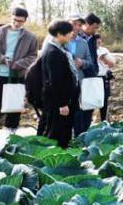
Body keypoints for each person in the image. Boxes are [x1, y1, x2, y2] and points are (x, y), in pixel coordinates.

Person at [0, 7, 38, 130]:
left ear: (25, 21)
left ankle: (10, 134)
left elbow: (33, 56)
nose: (17, 23)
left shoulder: (30, 37)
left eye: (20, 21)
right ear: (11, 17)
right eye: (15, 20)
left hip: (17, 75)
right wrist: (1, 58)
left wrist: (18, 64)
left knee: (14, 106)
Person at [41, 20, 78, 148]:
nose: (71, 36)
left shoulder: (58, 49)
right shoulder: (53, 53)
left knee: (61, 131)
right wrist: (62, 103)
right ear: (59, 34)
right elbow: (55, 81)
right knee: (56, 132)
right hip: (57, 102)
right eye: (68, 33)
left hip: (61, 100)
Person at [63, 14, 96, 136]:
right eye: (74, 23)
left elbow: (90, 62)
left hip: (79, 82)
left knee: (78, 113)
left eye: (79, 24)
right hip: (62, 82)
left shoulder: (83, 42)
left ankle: (77, 139)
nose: (76, 27)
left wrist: (82, 63)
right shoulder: (59, 40)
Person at [75, 13, 101, 135]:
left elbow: (92, 58)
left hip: (91, 77)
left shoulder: (92, 39)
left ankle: (85, 134)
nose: (95, 30)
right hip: (80, 78)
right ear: (86, 25)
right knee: (80, 108)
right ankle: (78, 134)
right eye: (94, 27)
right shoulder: (76, 39)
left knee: (89, 107)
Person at [95, 34, 115, 122]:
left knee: (104, 100)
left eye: (99, 39)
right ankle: (94, 118)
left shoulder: (104, 50)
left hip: (103, 77)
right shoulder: (89, 49)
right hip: (93, 78)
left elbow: (112, 64)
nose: (98, 41)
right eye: (96, 40)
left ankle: (104, 120)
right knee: (93, 100)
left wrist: (104, 59)